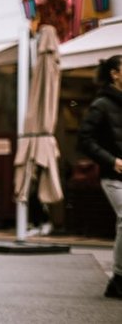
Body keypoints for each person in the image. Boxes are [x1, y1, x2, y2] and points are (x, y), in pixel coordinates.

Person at [78, 54, 122, 299]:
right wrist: (112, 161)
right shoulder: (101, 104)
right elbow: (84, 140)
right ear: (114, 73)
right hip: (114, 176)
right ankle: (118, 277)